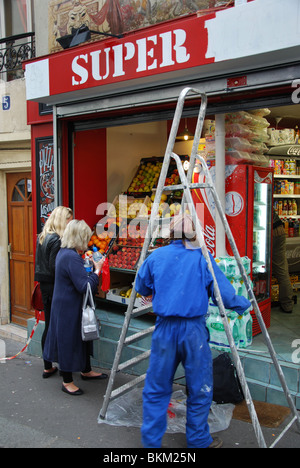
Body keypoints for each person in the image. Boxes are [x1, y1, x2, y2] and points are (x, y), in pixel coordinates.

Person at [135, 213, 251, 449]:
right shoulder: (202, 259)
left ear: (170, 234)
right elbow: (225, 296)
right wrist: (244, 304)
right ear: (194, 235)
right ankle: (198, 440)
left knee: (157, 387)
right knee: (199, 387)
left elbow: (141, 286)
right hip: (193, 332)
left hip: (165, 330)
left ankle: (150, 442)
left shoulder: (156, 257)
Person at [43, 219, 108, 396]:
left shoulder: (66, 253)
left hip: (66, 303)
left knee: (81, 339)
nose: (88, 241)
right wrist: (97, 269)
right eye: (86, 237)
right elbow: (84, 286)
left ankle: (86, 370)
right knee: (68, 341)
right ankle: (67, 381)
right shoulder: (70, 257)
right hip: (68, 307)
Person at [34, 206, 73, 379]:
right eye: (68, 220)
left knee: (48, 325)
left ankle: (47, 365)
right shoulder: (56, 239)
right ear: (61, 220)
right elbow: (54, 267)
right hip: (53, 286)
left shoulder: (43, 237)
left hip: (44, 285)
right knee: (52, 326)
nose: (70, 223)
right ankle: (50, 365)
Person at [272, 211, 294, 313]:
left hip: (270, 231)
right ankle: (287, 304)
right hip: (278, 228)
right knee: (282, 269)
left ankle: (287, 304)